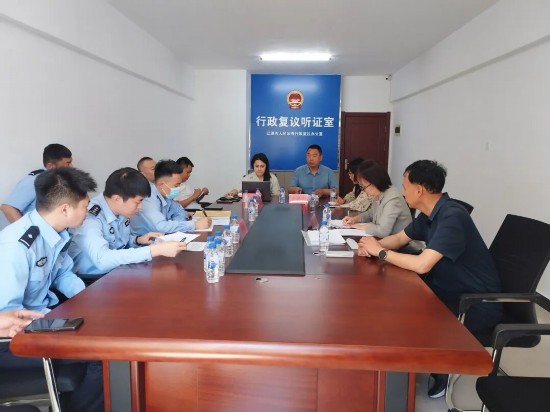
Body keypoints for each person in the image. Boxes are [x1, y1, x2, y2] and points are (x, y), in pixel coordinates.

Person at [358, 160, 502, 399]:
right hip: (446, 288)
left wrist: (380, 252)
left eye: (405, 186)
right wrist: (371, 246)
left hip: (474, 303)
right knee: (388, 300)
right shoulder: (429, 213)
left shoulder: (452, 216)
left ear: (419, 190)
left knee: (398, 313)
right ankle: (395, 367)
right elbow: (400, 239)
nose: (403, 192)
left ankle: (434, 371)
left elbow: (422, 264)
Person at [0, 167, 104, 412]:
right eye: (85, 206)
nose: (88, 212)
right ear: (65, 209)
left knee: (108, 330)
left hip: (46, 318)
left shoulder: (53, 233)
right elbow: (10, 315)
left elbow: (62, 273)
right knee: (105, 355)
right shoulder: (16, 245)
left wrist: (91, 299)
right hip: (14, 338)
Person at [69, 168, 187, 277]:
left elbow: (118, 242)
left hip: (118, 270)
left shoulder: (120, 209)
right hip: (93, 280)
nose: (140, 207)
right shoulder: (90, 217)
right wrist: (155, 250)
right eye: (137, 202)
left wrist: (137, 240)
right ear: (117, 199)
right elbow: (102, 259)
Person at [130, 160, 211, 234]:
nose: (178, 189)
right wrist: (194, 225)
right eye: (176, 186)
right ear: (161, 184)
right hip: (144, 242)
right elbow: (161, 227)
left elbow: (180, 212)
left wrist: (175, 225)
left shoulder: (166, 195)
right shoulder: (148, 197)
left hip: (164, 238)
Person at [1, 143, 73, 223]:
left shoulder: (58, 182)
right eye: (68, 163)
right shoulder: (34, 180)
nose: (71, 166)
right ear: (51, 166)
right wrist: (27, 230)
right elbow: (8, 208)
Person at [342, 160, 412, 237]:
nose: (363, 190)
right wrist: (354, 219)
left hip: (402, 243)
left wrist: (363, 227)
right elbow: (370, 214)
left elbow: (383, 231)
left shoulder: (393, 199)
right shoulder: (378, 194)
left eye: (364, 186)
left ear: (374, 182)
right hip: (387, 239)